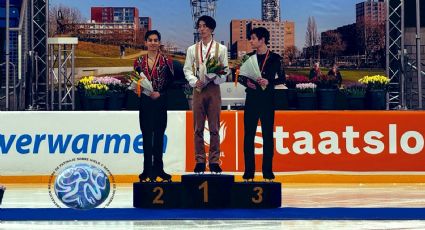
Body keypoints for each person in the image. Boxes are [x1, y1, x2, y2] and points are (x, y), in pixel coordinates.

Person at [237, 27, 286, 181]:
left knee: (267, 137)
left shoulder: (275, 58)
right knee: (248, 136)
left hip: (267, 100)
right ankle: (249, 172)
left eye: (252, 38)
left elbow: (283, 79)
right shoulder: (247, 57)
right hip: (251, 100)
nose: (250, 41)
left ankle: (267, 171)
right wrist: (247, 83)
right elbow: (239, 76)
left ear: (262, 39)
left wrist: (269, 81)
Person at [183, 15, 229, 174]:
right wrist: (194, 80)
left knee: (215, 127)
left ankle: (214, 161)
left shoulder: (221, 49)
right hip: (198, 90)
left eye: (204, 26)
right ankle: (200, 161)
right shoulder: (191, 49)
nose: (201, 29)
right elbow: (187, 69)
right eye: (199, 26)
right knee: (198, 128)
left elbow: (225, 71)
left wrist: (216, 77)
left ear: (211, 29)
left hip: (213, 89)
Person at [134, 30, 174, 182]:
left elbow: (171, 82)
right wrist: (144, 90)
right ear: (145, 42)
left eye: (155, 40)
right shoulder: (138, 62)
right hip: (145, 102)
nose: (153, 43)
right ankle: (146, 170)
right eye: (150, 40)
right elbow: (136, 81)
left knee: (158, 136)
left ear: (159, 42)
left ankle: (159, 169)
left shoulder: (166, 61)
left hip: (160, 101)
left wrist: (160, 93)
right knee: (146, 136)